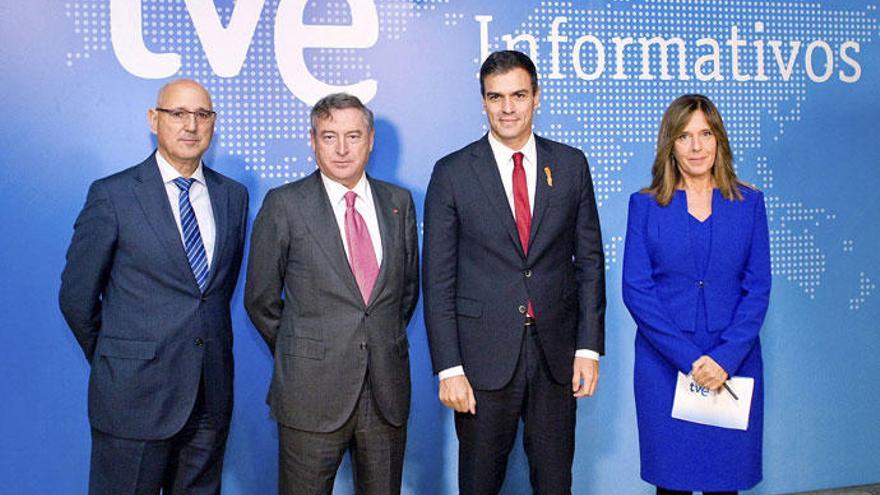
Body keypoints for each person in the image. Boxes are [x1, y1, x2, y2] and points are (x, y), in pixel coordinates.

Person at [422, 50, 606, 494]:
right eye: (496, 97)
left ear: (536, 97)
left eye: (518, 95)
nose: (507, 108)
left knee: (554, 482)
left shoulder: (570, 165)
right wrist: (449, 368)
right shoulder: (451, 173)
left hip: (556, 357)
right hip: (482, 361)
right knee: (480, 483)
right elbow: (438, 280)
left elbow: (590, 263)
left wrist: (588, 347)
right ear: (483, 102)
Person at [59, 79, 249, 494]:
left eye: (202, 114)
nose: (191, 125)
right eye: (178, 113)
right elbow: (76, 298)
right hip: (133, 399)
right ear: (153, 119)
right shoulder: (113, 195)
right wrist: (120, 358)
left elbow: (215, 293)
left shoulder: (233, 197)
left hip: (208, 400)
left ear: (213, 124)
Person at [244, 93, 419, 495]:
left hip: (384, 394)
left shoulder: (399, 203)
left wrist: (372, 340)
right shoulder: (284, 204)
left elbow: (403, 296)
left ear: (371, 139)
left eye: (353, 135)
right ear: (312, 140)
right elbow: (260, 299)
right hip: (310, 394)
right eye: (329, 136)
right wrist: (306, 347)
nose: (342, 149)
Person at [622, 94, 771, 495]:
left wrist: (722, 360)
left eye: (705, 134)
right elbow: (636, 290)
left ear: (719, 139)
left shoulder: (749, 202)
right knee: (672, 484)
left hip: (733, 362)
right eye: (685, 136)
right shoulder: (645, 205)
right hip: (665, 366)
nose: (697, 146)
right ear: (670, 144)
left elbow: (757, 289)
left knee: (725, 483)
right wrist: (690, 359)